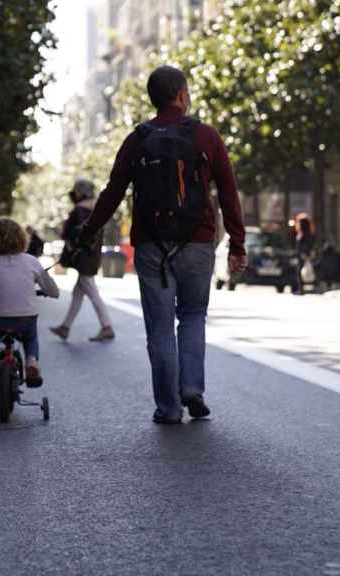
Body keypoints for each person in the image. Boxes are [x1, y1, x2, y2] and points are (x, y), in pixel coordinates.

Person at [74, 65, 247, 424]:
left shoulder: (138, 139)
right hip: (198, 243)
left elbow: (112, 194)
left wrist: (88, 232)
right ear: (182, 95)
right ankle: (192, 389)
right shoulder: (207, 137)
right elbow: (229, 194)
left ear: (153, 98)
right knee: (193, 316)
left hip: (151, 247)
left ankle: (168, 407)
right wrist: (236, 245)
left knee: (160, 326)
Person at [0, 217, 60, 390]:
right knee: (30, 337)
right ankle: (32, 361)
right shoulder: (32, 261)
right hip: (26, 317)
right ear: (22, 238)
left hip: (0, 318)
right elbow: (52, 290)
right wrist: (51, 293)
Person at [49, 178, 115, 342]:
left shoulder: (78, 211)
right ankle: (65, 327)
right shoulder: (96, 210)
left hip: (82, 259)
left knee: (93, 293)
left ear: (81, 192)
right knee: (77, 294)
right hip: (91, 257)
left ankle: (107, 327)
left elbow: (67, 234)